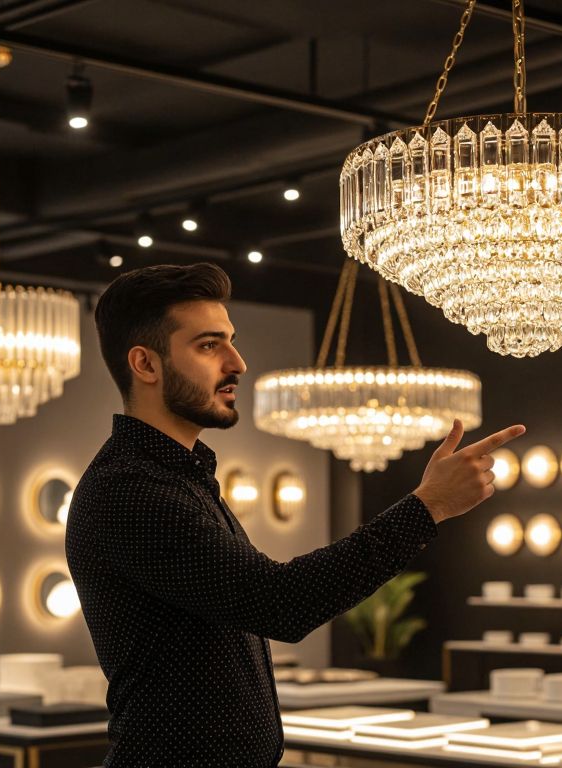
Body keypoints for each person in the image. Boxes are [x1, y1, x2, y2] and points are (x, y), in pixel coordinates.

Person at [66, 262, 525, 767]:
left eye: (231, 341)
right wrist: (428, 505)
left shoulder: (178, 478)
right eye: (208, 345)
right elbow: (280, 602)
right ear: (146, 365)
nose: (237, 362)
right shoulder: (130, 490)